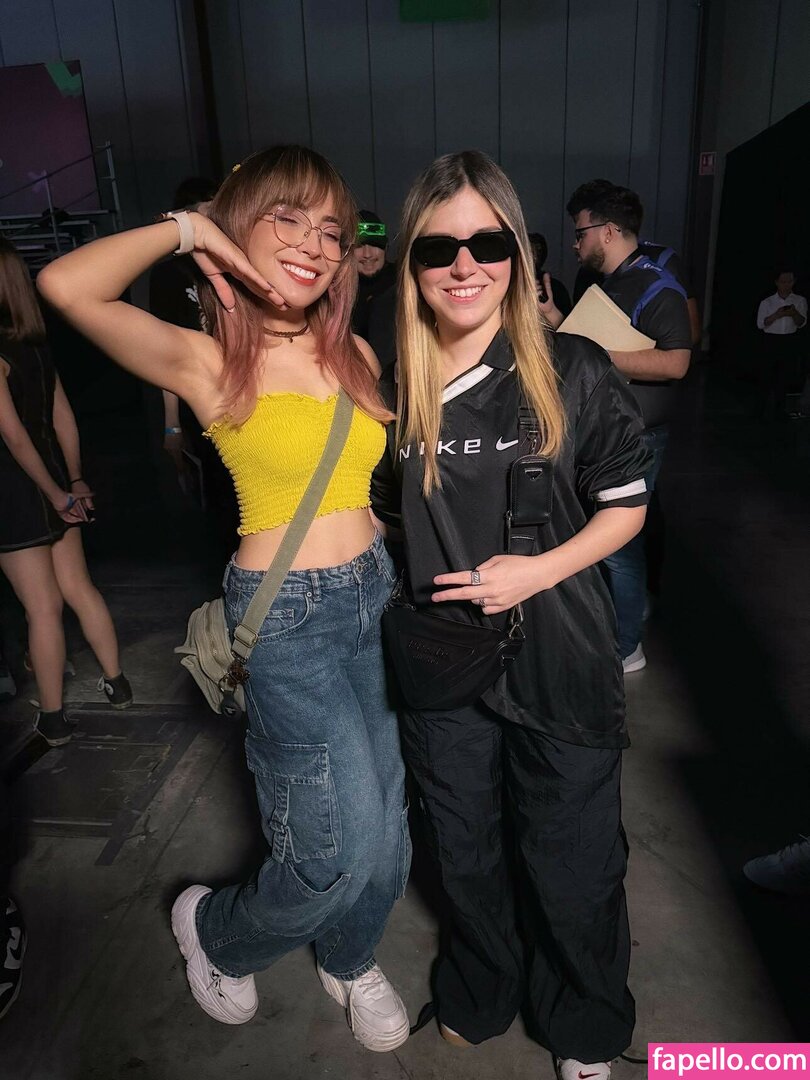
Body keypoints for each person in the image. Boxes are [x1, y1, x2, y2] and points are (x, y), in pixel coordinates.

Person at [37, 145, 411, 1052]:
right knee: (331, 852)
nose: (315, 244)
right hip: (287, 620)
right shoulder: (209, 361)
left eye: (331, 229)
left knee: (390, 830)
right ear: (239, 229)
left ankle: (350, 955)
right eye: (289, 218)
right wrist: (192, 230)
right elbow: (64, 286)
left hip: (374, 597)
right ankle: (216, 931)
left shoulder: (355, 352)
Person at [372, 151, 650, 1080]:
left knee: (572, 860)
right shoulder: (396, 387)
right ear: (411, 262)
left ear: (517, 257)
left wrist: (536, 572)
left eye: (487, 243)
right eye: (437, 247)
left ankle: (586, 1021)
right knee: (463, 850)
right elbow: (383, 510)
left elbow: (626, 507)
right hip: (443, 661)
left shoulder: (573, 369)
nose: (464, 265)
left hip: (558, 653)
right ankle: (482, 988)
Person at [0, 238, 132, 746]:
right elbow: (64, 418)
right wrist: (72, 480)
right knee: (79, 589)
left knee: (41, 609)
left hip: (16, 490)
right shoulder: (36, 347)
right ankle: (117, 684)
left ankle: (52, 718)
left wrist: (55, 493)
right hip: (54, 475)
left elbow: (12, 437)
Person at [560, 180, 691, 674]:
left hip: (638, 436)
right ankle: (628, 616)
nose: (576, 243)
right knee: (615, 537)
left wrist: (598, 355)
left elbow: (676, 362)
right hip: (611, 430)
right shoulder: (608, 282)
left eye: (581, 232)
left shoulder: (658, 286)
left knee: (617, 544)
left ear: (610, 231)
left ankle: (626, 648)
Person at [755, 269, 807, 420]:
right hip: (771, 340)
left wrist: (794, 313)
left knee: (784, 377)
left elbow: (801, 323)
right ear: (777, 282)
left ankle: (780, 410)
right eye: (783, 282)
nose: (786, 285)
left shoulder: (799, 300)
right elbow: (761, 324)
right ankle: (760, 410)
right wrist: (777, 315)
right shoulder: (767, 302)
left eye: (790, 281)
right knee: (766, 376)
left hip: (789, 341)